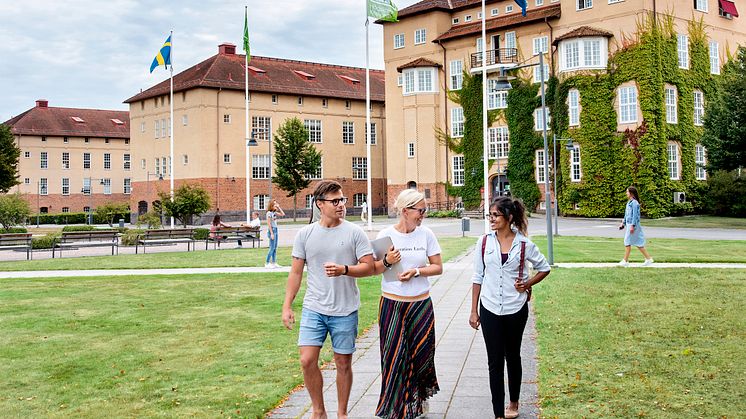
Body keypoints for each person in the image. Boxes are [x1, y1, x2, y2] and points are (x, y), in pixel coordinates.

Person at [282, 180, 375, 419]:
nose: (341, 205)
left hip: (345, 309)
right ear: (319, 204)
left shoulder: (355, 232)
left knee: (343, 363)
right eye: (335, 201)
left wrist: (345, 269)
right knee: (306, 360)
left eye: (342, 200)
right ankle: (319, 410)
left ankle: (342, 413)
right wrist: (287, 305)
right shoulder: (305, 234)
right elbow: (295, 272)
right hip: (314, 307)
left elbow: (368, 267)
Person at [469, 196, 551, 419]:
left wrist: (527, 284)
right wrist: (474, 310)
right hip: (489, 307)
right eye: (490, 215)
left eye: (495, 215)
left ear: (509, 217)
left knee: (512, 355)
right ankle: (498, 413)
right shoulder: (484, 242)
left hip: (515, 309)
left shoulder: (524, 244)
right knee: (494, 361)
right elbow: (478, 276)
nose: (491, 219)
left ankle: (513, 402)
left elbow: (544, 267)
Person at [372, 189, 442, 419]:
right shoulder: (386, 235)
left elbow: (437, 267)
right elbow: (376, 269)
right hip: (392, 304)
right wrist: (387, 260)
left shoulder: (426, 235)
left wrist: (417, 272)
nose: (423, 214)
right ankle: (398, 406)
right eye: (420, 210)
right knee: (394, 355)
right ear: (405, 211)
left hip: (420, 304)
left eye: (424, 210)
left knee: (422, 354)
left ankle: (418, 398)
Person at [618, 186, 654, 267]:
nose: (626, 193)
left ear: (631, 193)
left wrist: (632, 226)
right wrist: (623, 223)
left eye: (627, 192)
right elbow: (626, 215)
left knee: (627, 242)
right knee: (638, 243)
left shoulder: (635, 203)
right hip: (629, 224)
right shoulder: (629, 202)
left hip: (633, 225)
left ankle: (625, 261)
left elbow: (635, 216)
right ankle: (648, 259)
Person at [265, 199, 285, 268]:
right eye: (275, 204)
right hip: (272, 230)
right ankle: (267, 263)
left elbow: (283, 214)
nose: (276, 205)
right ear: (271, 205)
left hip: (276, 229)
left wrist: (279, 207)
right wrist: (272, 233)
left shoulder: (274, 212)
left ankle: (274, 262)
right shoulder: (269, 213)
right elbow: (269, 224)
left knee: (275, 248)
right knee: (272, 248)